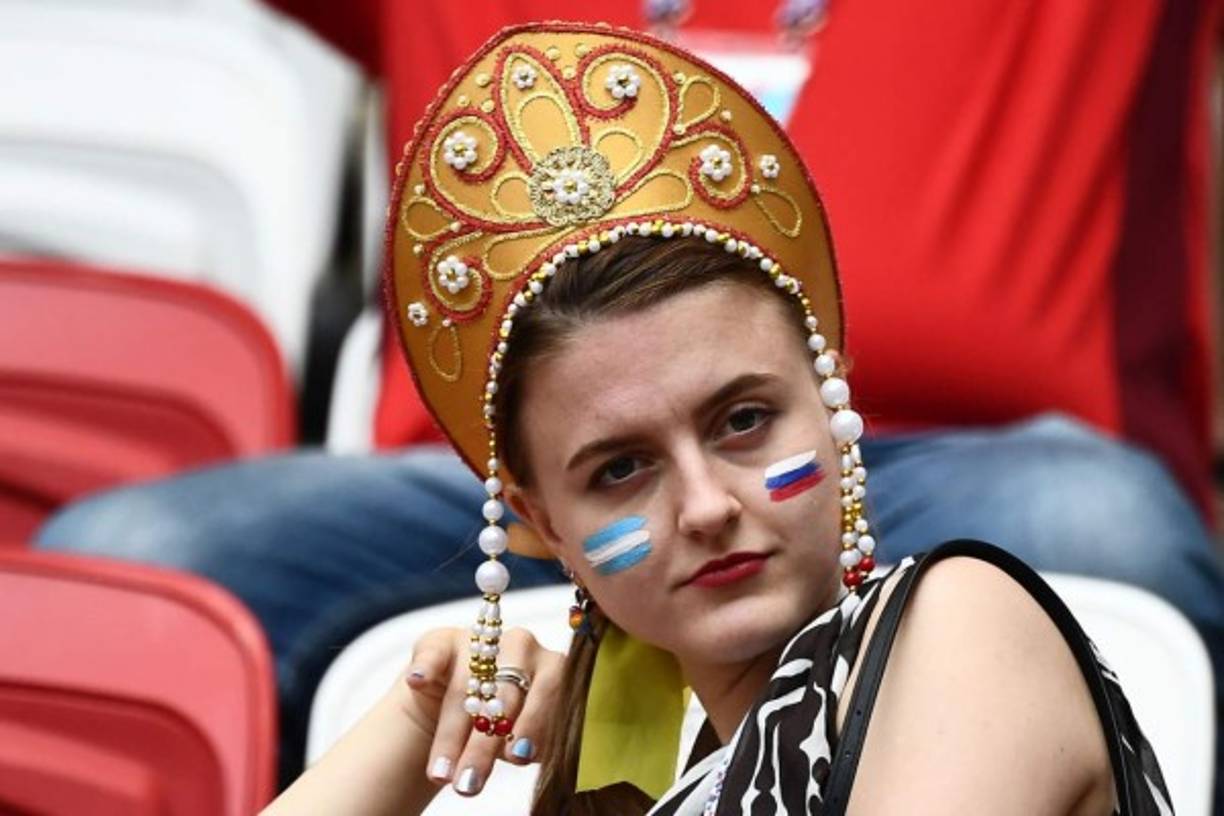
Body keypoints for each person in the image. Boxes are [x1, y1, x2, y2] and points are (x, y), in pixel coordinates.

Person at [36, 0, 1224, 799]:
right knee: (121, 561)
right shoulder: (641, 755)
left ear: (823, 397)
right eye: (625, 470)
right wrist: (412, 719)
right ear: (545, 532)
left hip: (980, 450)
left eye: (744, 421)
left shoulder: (965, 620)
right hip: (455, 485)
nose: (706, 506)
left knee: (1095, 517)